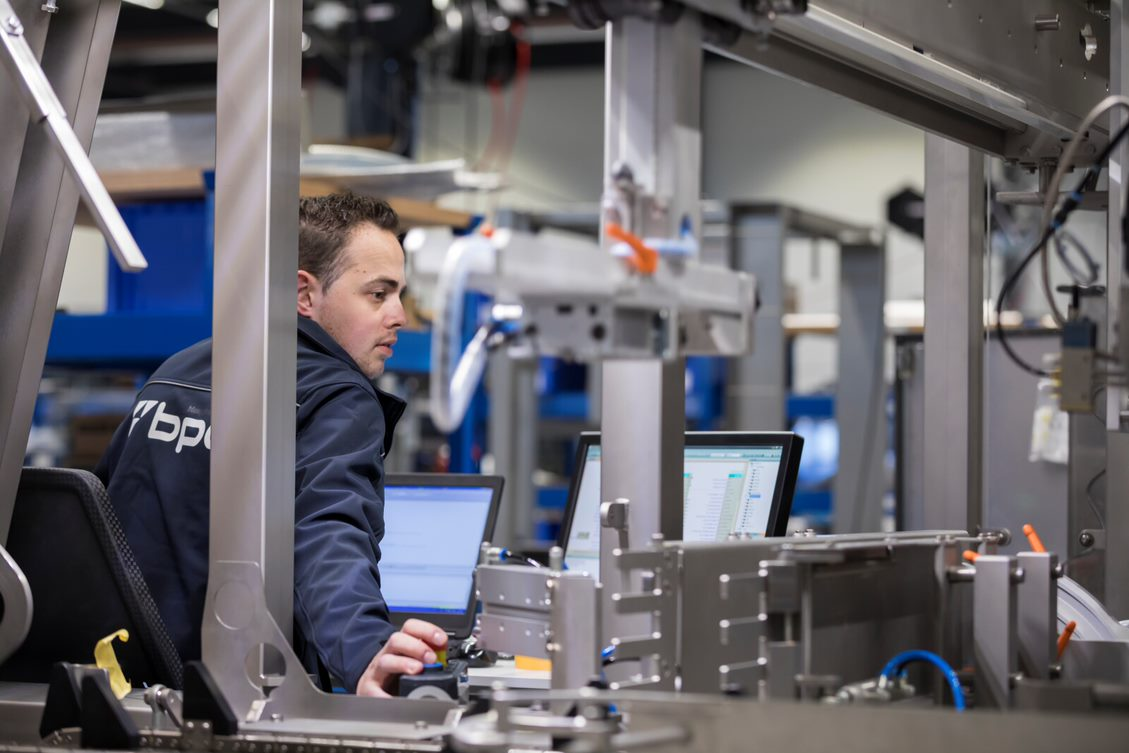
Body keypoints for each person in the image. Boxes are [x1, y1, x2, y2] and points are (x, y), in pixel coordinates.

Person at [95, 193, 444, 696]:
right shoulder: (339, 396)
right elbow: (328, 527)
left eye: (400, 294)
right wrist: (366, 650)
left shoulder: (178, 370)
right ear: (304, 295)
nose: (399, 316)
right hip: (232, 702)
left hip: (118, 688)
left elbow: (99, 516)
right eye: (378, 294)